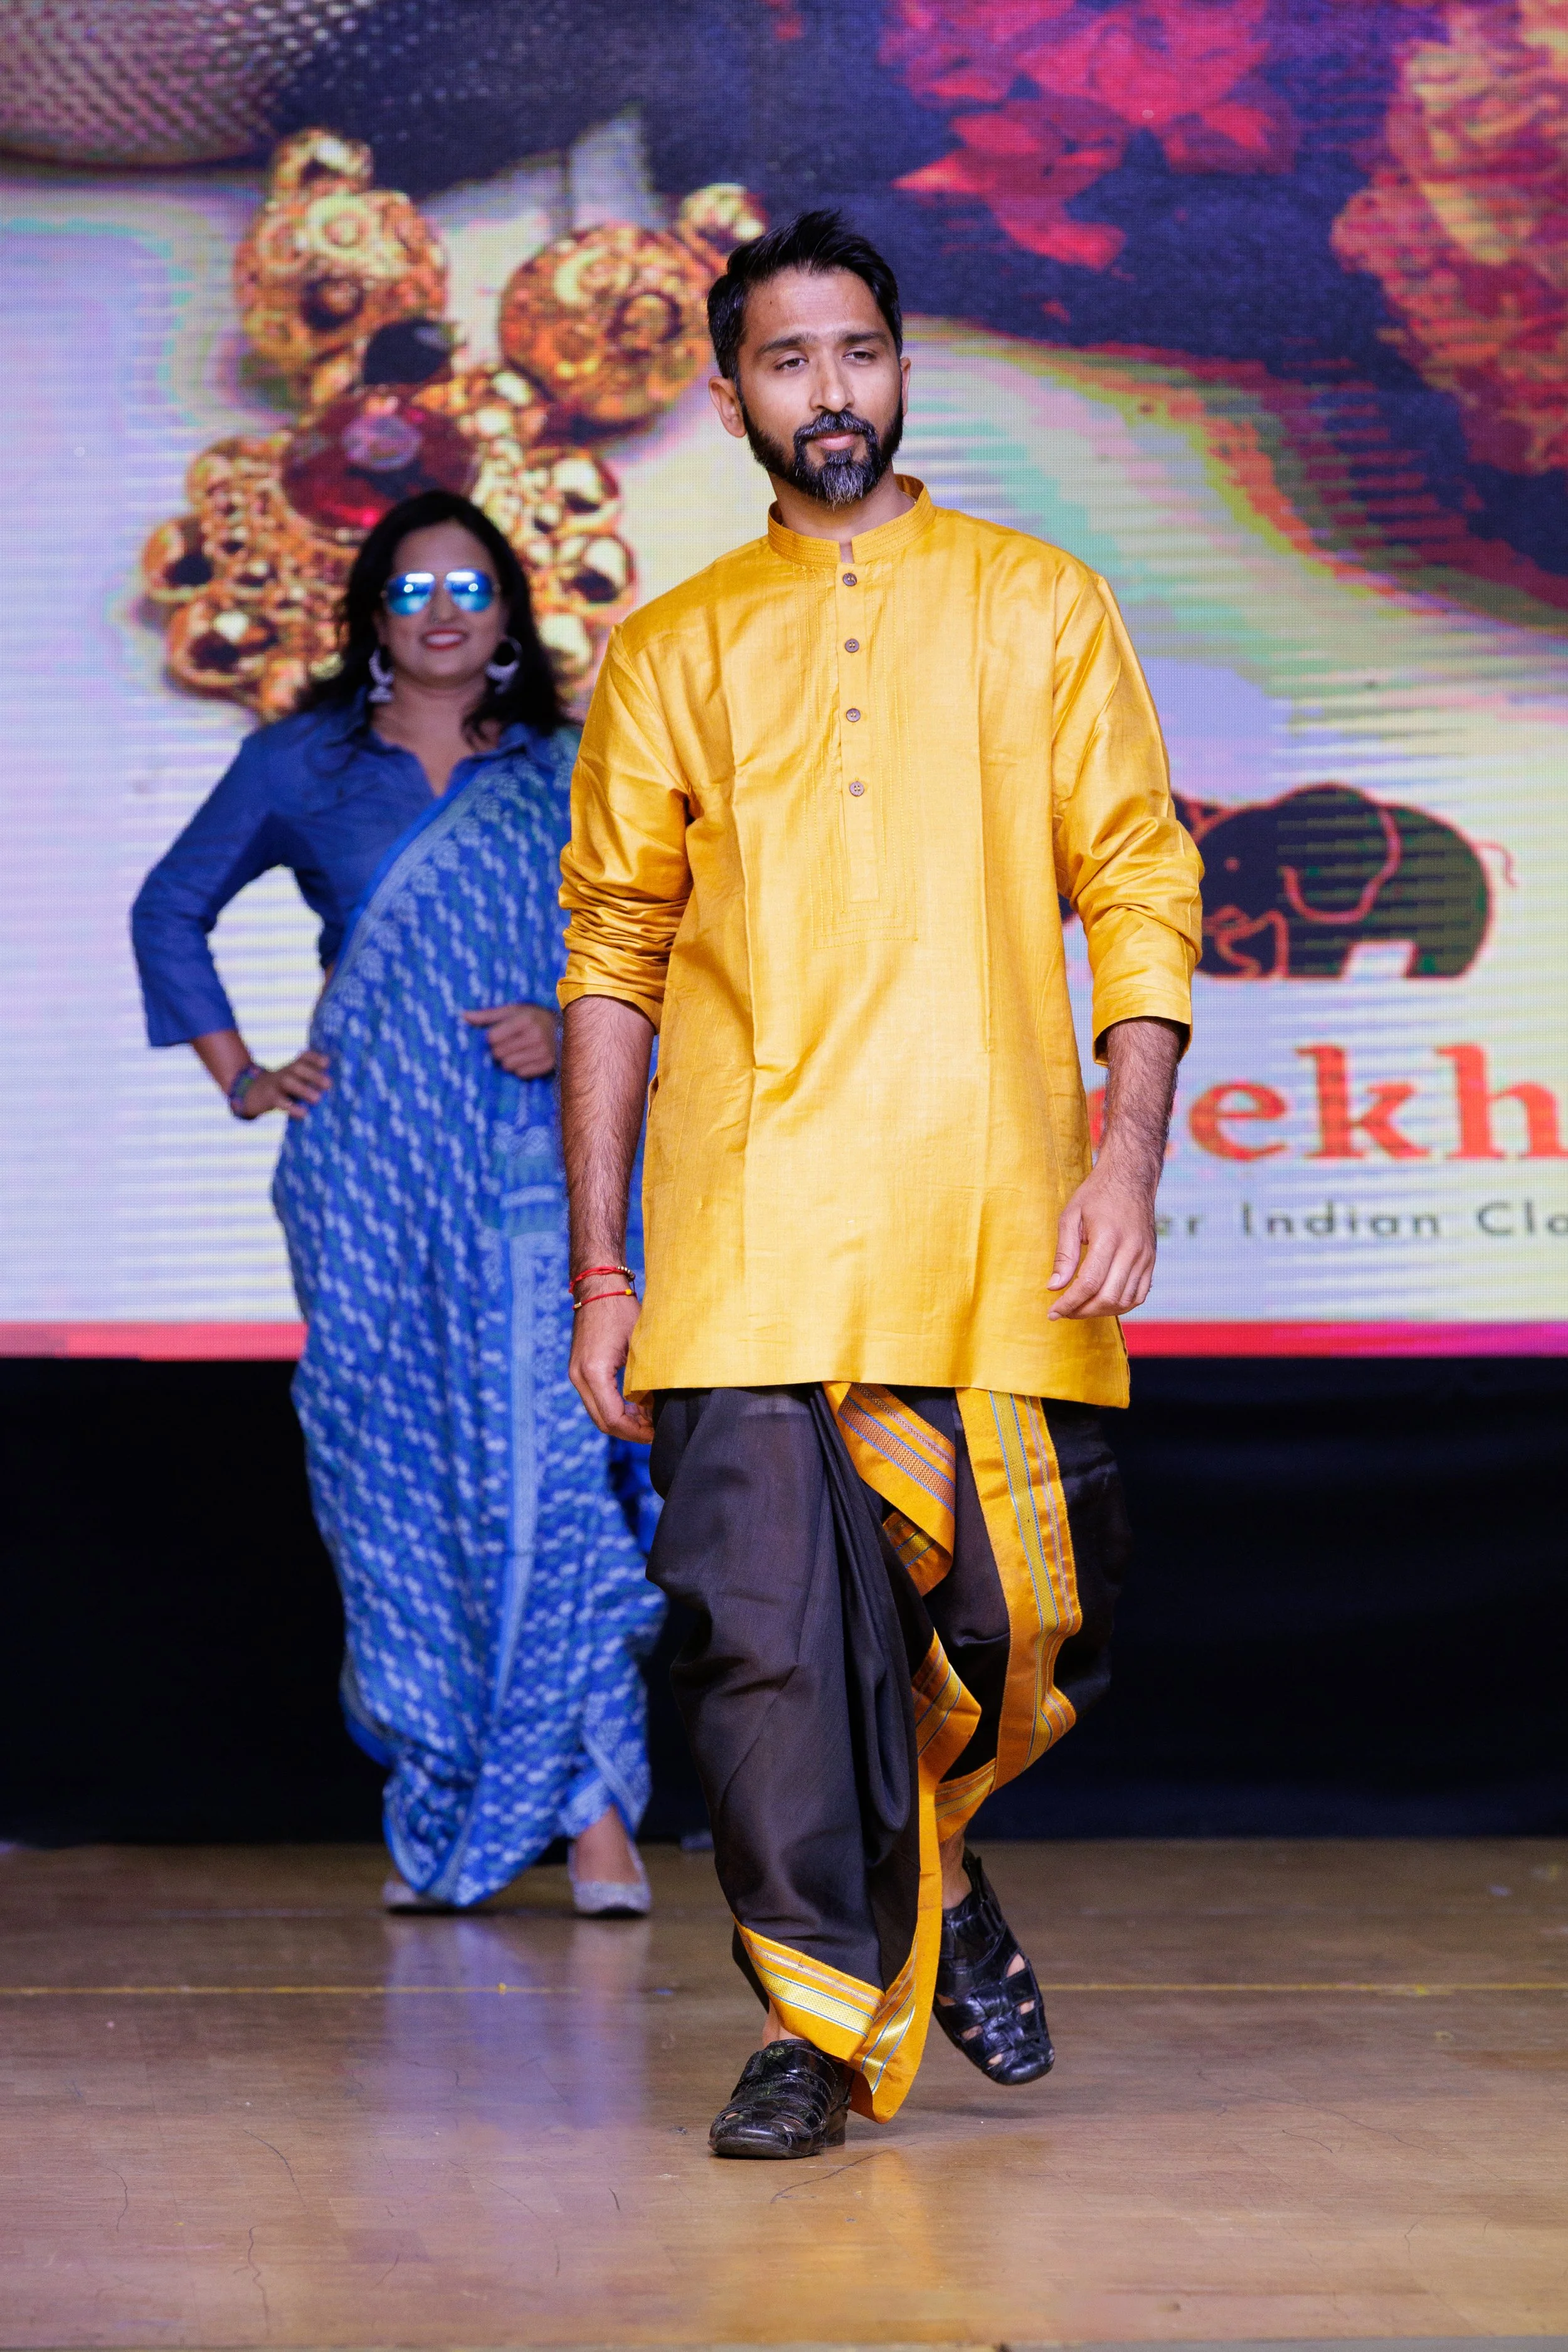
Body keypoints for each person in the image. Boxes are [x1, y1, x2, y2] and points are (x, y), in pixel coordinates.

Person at [556, 211, 1204, 2154]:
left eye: (856, 354)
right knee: (763, 1644)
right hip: (748, 1230)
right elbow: (612, 959)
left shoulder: (1038, 602)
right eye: (784, 361)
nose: (825, 394)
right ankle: (818, 2028)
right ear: (727, 390)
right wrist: (604, 1271)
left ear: (903, 364)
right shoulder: (675, 646)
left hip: (999, 1210)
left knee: (1021, 1637)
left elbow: (1138, 882)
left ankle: (916, 1862)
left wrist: (1128, 1149)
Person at [132, 489, 662, 1915]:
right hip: (368, 1176)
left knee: (558, 1471)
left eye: (469, 588)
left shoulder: (573, 766)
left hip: (545, 1166)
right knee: (402, 1482)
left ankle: (596, 1808)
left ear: (507, 616)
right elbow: (167, 909)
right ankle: (442, 1784)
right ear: (373, 617)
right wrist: (245, 1076)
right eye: (413, 590)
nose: (442, 611)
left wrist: (579, 1025)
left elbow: (673, 938)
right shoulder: (302, 764)